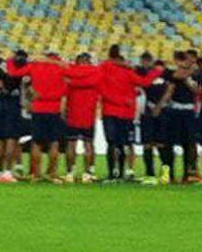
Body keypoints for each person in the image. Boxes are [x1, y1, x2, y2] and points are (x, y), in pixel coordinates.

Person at [98, 45, 159, 182]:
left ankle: (111, 174)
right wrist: (156, 72)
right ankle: (120, 174)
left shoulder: (104, 68)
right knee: (122, 143)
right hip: (126, 112)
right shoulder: (128, 72)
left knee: (111, 143)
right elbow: (144, 82)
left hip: (110, 111)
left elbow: (101, 89)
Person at [10, 51, 69, 183]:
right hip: (55, 108)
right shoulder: (61, 67)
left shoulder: (35, 66)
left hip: (38, 107)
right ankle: (52, 174)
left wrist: (11, 61)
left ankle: (37, 174)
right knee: (54, 142)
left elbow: (14, 73)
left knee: (37, 142)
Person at [159, 51, 201, 182]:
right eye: (186, 60)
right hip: (173, 110)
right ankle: (168, 174)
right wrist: (189, 72)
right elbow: (177, 76)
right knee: (168, 143)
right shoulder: (170, 72)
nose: (188, 62)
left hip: (188, 111)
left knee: (189, 143)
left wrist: (188, 77)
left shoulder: (195, 75)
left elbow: (197, 91)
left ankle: (189, 173)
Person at [63, 53, 102, 183]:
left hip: (73, 113)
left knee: (71, 144)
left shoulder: (70, 74)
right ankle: (88, 173)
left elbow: (65, 92)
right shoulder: (96, 73)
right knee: (88, 144)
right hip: (88, 115)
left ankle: (70, 173)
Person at [0, 51, 29, 183]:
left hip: (0, 103)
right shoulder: (23, 69)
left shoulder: (1, 66)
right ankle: (7, 171)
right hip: (14, 104)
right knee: (11, 138)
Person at [137, 52, 170, 184]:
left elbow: (169, 90)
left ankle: (166, 173)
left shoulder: (163, 74)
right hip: (147, 111)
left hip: (162, 111)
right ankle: (150, 173)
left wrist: (159, 106)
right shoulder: (140, 74)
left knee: (162, 143)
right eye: (143, 60)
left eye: (147, 60)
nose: (145, 63)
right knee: (147, 143)